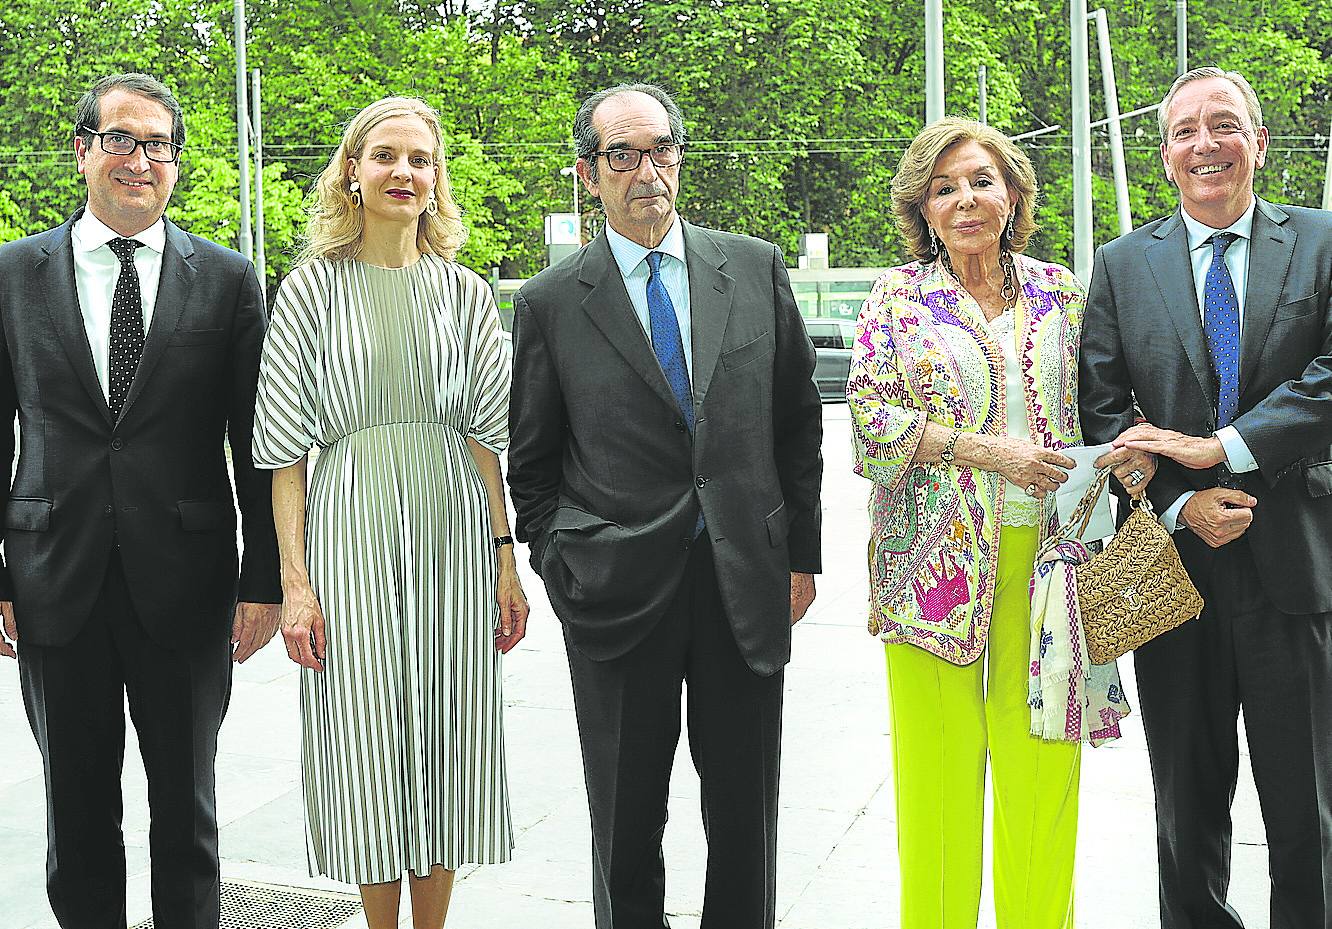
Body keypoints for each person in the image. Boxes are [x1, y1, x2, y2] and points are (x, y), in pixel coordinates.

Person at [507, 82, 823, 929]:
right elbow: (532, 465)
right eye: (623, 155)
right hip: (615, 591)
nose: (647, 171)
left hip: (741, 581)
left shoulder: (752, 267)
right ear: (588, 173)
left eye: (662, 150)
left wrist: (800, 556)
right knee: (625, 819)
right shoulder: (548, 302)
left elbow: (797, 423)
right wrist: (562, 563)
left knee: (746, 818)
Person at [847, 117, 1146, 929]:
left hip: (1054, 560)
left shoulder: (1063, 291)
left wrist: (1130, 447)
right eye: (943, 188)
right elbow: (870, 424)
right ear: (923, 209)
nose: (965, 199)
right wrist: (987, 452)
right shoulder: (897, 297)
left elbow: (1104, 399)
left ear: (1013, 194)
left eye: (981, 181)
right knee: (937, 779)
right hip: (931, 567)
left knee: (1043, 768)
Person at [0, 73, 281, 928]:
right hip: (55, 579)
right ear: (82, 150)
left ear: (176, 162)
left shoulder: (228, 278)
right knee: (77, 812)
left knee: (188, 815)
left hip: (189, 584)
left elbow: (256, 443)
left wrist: (265, 579)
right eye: (121, 139)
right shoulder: (13, 273)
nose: (140, 159)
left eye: (159, 144)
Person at [251, 96, 524, 929]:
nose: (403, 171)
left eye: (420, 159)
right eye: (384, 156)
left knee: (447, 731)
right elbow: (285, 453)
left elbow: (486, 438)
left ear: (437, 179)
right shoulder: (308, 290)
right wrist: (295, 583)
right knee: (364, 734)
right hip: (349, 524)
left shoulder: (466, 293)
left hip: (451, 524)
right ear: (352, 172)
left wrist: (506, 560)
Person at [1081, 67, 1332, 929]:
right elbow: (1103, 409)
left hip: (1296, 562)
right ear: (1165, 157)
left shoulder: (1323, 243)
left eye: (1224, 124)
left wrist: (1223, 448)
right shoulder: (1121, 265)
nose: (1205, 144)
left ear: (1258, 141)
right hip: (1171, 569)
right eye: (1184, 131)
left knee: (1307, 811)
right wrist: (1180, 502)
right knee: (1185, 811)